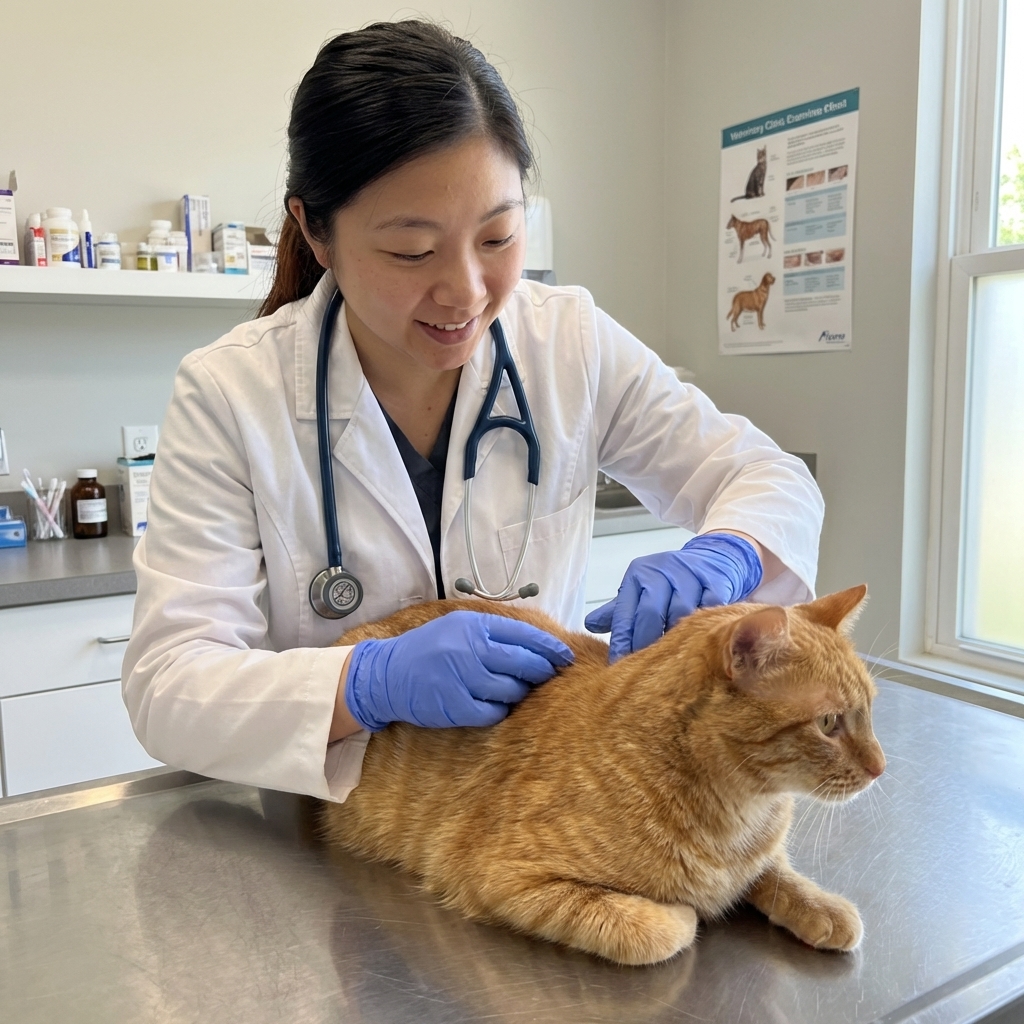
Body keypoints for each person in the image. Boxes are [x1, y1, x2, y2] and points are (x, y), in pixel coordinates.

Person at [122, 21, 823, 802]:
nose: (465, 291)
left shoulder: (569, 341)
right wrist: (364, 683)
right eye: (412, 252)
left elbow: (766, 475)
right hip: (345, 834)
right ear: (316, 232)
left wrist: (725, 552)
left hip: (541, 802)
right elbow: (168, 686)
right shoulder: (231, 394)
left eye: (498, 235)